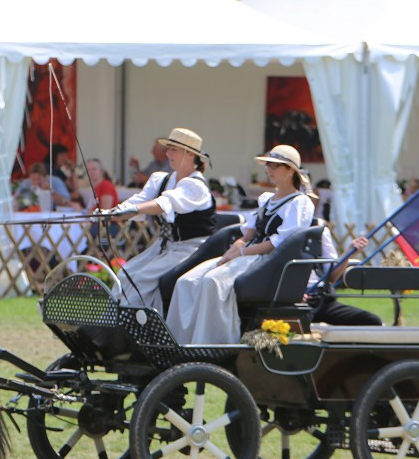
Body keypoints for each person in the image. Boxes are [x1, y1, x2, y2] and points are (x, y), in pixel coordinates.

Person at [167, 144, 316, 345]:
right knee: (187, 281)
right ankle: (179, 342)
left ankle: (212, 344)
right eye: (268, 165)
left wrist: (242, 252)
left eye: (275, 166)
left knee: (212, 282)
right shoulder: (267, 199)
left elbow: (280, 243)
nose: (268, 169)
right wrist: (235, 247)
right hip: (248, 254)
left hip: (268, 262)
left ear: (290, 171)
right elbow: (248, 231)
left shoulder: (299, 203)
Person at [108, 128, 217, 310]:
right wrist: (111, 213)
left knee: (143, 279)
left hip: (193, 249)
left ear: (189, 154)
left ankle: (137, 327)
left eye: (173, 149)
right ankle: (113, 321)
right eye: (168, 149)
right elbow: (140, 201)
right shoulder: (161, 180)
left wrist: (133, 210)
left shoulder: (196, 186)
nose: (167, 153)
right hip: (165, 247)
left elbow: (162, 203)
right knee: (126, 274)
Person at [307, 235, 383, 326]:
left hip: (321, 299)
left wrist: (349, 252)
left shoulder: (320, 230)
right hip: (292, 301)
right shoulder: (285, 226)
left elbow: (331, 277)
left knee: (371, 321)